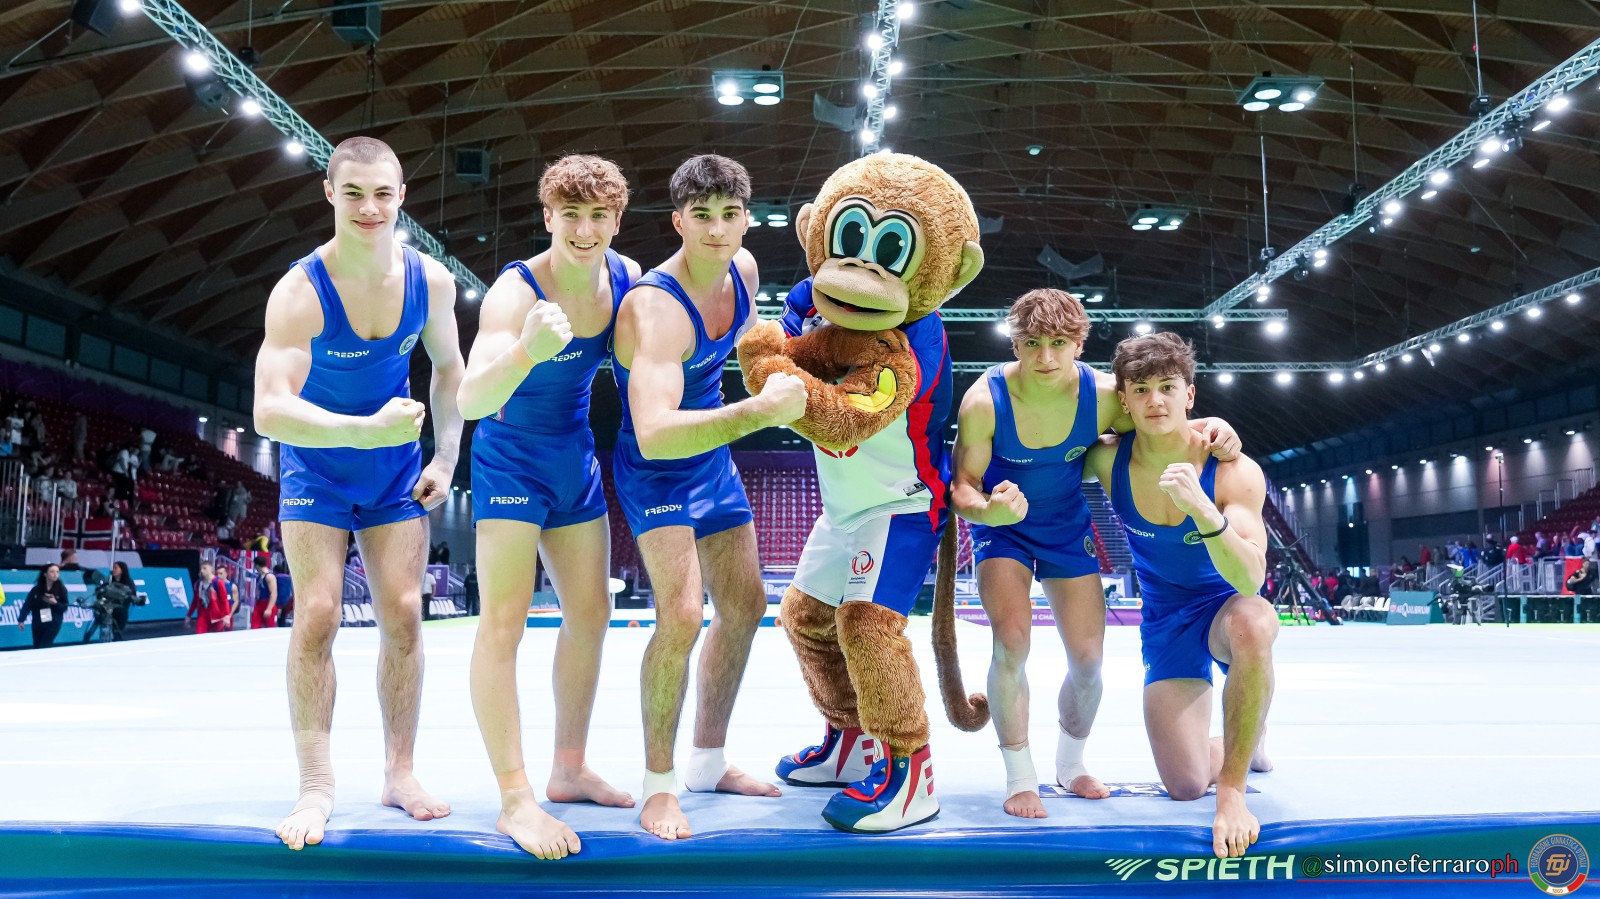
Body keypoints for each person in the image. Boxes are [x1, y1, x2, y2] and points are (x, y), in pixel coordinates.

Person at [950, 288, 1240, 819]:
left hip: (1066, 530)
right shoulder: (984, 402)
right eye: (1031, 344)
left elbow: (1162, 428)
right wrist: (989, 511)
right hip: (1004, 531)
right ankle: (1020, 777)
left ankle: (1071, 764)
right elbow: (962, 487)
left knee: (1088, 662)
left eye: (1059, 343)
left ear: (1079, 344)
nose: (1045, 357)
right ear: (1014, 344)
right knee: (1011, 643)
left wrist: (1216, 429)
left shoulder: (1107, 397)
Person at [253, 135, 465, 852]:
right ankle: (315, 783)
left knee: (403, 615)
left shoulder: (431, 281)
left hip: (394, 470)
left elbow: (449, 368)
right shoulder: (299, 291)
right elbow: (268, 410)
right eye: (353, 194)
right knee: (317, 614)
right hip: (317, 468)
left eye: (381, 194)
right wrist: (360, 430)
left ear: (402, 196)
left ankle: (399, 772)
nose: (369, 208)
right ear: (329, 195)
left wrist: (446, 455)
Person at [610, 154, 806, 841]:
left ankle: (708, 760)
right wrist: (760, 412)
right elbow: (655, 432)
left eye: (729, 215)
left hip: (711, 459)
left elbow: (749, 351)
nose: (717, 230)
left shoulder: (744, 271)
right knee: (682, 617)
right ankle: (658, 784)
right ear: (678, 222)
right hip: (658, 467)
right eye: (702, 216)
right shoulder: (656, 307)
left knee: (747, 605)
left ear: (747, 219)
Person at [455, 154, 642, 859]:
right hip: (511, 457)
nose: (584, 230)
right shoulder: (516, 293)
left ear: (616, 220)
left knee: (590, 614)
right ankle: (515, 798)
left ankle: (568, 766)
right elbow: (472, 399)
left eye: (598, 216)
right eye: (571, 215)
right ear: (548, 217)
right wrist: (528, 351)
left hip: (573, 455)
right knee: (503, 623)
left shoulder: (626, 279)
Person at [1083, 332, 1276, 860]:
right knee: (1186, 785)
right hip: (1166, 619)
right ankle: (1246, 733)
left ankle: (1234, 787)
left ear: (1189, 394)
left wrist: (1203, 509)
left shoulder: (1233, 469)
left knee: (1255, 621)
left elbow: (1251, 580)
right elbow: (1057, 422)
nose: (1155, 401)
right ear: (1124, 401)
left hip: (1224, 607)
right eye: (1141, 390)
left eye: (1168, 387)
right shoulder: (1106, 460)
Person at [15, 563, 69, 649]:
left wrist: (55, 603)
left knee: (45, 643)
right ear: (45, 574)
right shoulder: (36, 589)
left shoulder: (61, 589)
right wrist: (21, 620)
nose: (55, 574)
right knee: (37, 644)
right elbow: (27, 605)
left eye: (57, 572)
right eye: (52, 572)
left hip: (54, 621)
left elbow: (64, 607)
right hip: (38, 620)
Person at [109, 561, 137, 641]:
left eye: (115, 568)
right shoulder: (110, 581)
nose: (113, 570)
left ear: (122, 570)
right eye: (113, 568)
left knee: (117, 632)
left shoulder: (128, 582)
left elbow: (132, 596)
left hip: (121, 611)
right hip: (109, 610)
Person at [251, 557, 279, 629]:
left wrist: (269, 608)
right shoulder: (259, 577)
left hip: (268, 603)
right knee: (255, 627)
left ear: (256, 565)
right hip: (259, 603)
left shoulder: (269, 576)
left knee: (269, 628)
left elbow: (274, 593)